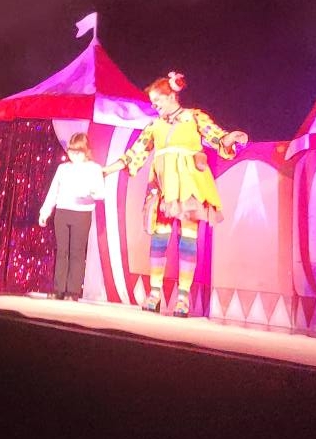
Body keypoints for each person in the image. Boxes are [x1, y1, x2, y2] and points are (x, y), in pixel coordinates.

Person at [103, 70, 248, 317]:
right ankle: (154, 294)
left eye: (157, 101)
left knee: (188, 238)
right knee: (159, 238)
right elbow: (136, 153)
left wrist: (229, 138)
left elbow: (216, 136)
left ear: (171, 96)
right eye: (152, 102)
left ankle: (182, 298)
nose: (155, 106)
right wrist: (108, 169)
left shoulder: (194, 117)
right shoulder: (154, 126)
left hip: (189, 186)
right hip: (163, 188)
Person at [38, 132, 105, 300]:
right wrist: (45, 212)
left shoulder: (94, 169)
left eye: (78, 152)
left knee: (77, 252)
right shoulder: (63, 168)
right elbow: (53, 191)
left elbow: (101, 193)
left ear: (86, 151)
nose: (74, 155)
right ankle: (59, 288)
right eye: (71, 151)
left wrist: (91, 191)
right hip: (62, 212)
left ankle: (73, 291)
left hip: (82, 213)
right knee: (62, 251)